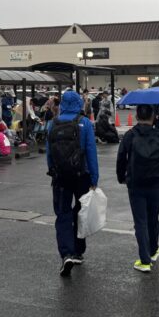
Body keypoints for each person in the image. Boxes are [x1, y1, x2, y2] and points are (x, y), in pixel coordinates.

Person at [116, 104, 159, 273]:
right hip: (156, 183)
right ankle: (153, 250)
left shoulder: (130, 135)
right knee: (153, 218)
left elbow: (121, 158)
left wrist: (122, 177)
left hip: (136, 184)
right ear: (153, 117)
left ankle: (144, 261)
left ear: (136, 117)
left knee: (140, 222)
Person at [46, 89, 99, 277]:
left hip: (60, 176)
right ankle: (78, 251)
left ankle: (66, 253)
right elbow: (91, 151)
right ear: (78, 103)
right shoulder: (84, 123)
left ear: (62, 105)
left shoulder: (52, 124)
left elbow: (49, 153)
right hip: (81, 175)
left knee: (63, 214)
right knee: (81, 211)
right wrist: (94, 178)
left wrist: (53, 171)